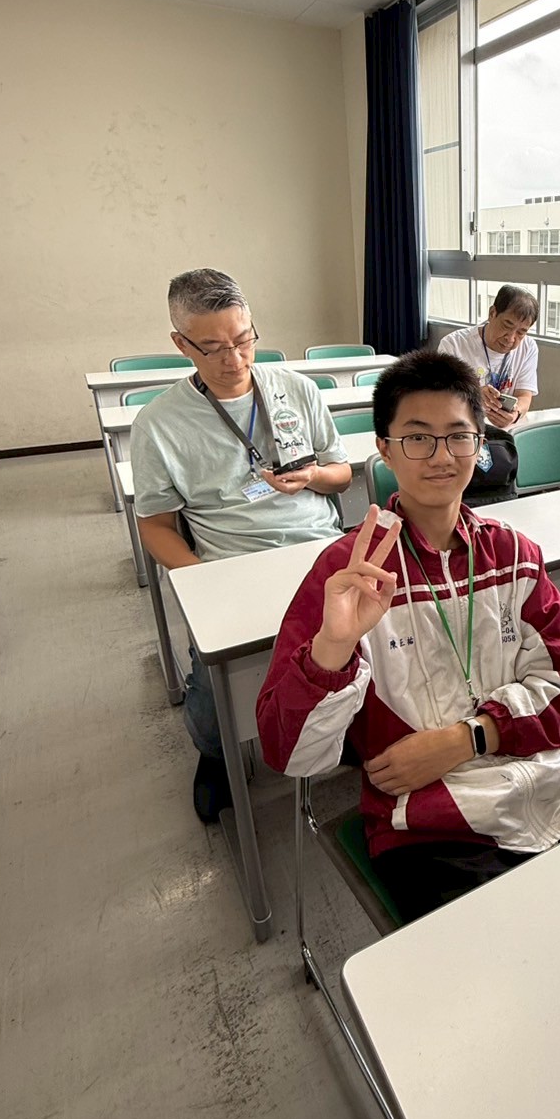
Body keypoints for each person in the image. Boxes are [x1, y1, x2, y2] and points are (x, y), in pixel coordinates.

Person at [256, 349, 560, 922]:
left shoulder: (514, 554)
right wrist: (332, 649)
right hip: (431, 826)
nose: (442, 456)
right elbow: (289, 753)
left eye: (458, 437)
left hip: (559, 787)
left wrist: (470, 737)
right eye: (418, 438)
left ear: (480, 445)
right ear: (384, 449)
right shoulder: (348, 572)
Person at [131, 268, 351, 823]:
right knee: (216, 686)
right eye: (213, 347)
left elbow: (342, 474)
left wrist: (313, 477)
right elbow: (155, 526)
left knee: (375, 637)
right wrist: (200, 578)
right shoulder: (158, 424)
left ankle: (350, 723)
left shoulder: (295, 389)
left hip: (318, 548)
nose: (235, 359)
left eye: (244, 339)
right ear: (181, 345)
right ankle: (216, 752)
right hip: (232, 564)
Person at [437, 285, 539, 430]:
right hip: (461, 428)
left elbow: (524, 396)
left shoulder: (528, 348)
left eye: (521, 332)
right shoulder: (454, 345)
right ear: (492, 313)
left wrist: (515, 414)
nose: (511, 338)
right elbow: (441, 398)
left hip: (503, 431)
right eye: (507, 325)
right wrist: (475, 394)